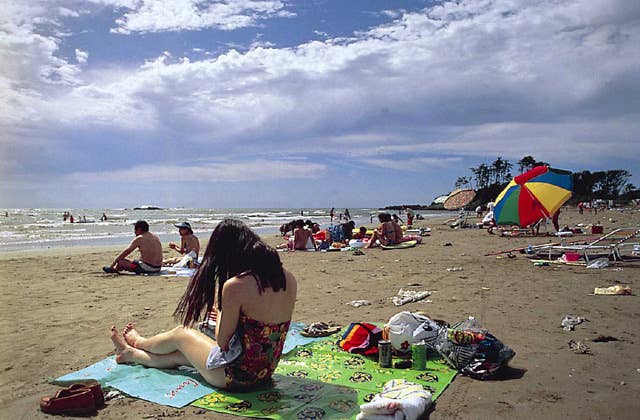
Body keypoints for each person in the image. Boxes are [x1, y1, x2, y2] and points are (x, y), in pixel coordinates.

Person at [109, 219, 297, 391]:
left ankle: (138, 342)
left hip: (235, 376)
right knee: (179, 356)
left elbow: (223, 343)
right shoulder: (288, 277)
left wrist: (219, 311)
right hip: (265, 372)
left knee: (180, 334)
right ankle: (130, 354)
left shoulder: (237, 286)